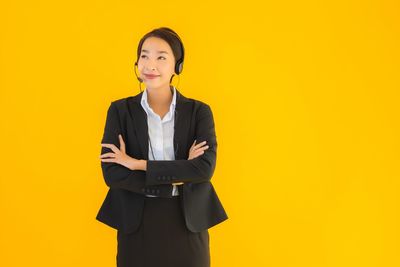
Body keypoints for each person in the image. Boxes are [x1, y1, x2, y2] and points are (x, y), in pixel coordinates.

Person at [96, 27, 228, 267]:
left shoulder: (199, 112)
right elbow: (112, 173)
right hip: (137, 224)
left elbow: (204, 169)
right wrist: (181, 171)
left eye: (161, 57)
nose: (150, 65)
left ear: (178, 66)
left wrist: (137, 164)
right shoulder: (119, 111)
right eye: (144, 56)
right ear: (136, 63)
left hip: (187, 223)